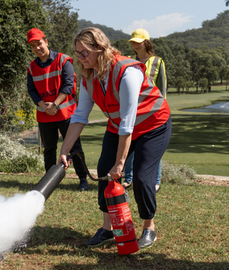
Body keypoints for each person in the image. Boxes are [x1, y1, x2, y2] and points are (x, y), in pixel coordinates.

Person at [58, 27, 171, 249]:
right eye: (77, 53)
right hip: (119, 125)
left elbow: (129, 120)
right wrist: (65, 149)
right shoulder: (88, 77)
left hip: (152, 125)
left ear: (100, 49)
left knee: (141, 176)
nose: (80, 58)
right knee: (104, 171)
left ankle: (149, 227)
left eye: (84, 53)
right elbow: (80, 116)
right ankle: (108, 229)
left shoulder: (127, 71)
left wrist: (120, 163)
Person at [26, 28, 89, 191]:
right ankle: (49, 182)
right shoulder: (31, 67)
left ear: (45, 41)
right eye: (33, 46)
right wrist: (44, 106)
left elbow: (68, 85)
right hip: (45, 115)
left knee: (75, 147)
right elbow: (31, 90)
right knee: (49, 150)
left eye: (39, 43)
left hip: (66, 114)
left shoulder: (63, 60)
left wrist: (54, 105)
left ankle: (83, 180)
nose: (37, 48)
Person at [122, 28, 167, 193]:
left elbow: (162, 88)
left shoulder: (157, 61)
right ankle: (128, 179)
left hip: (152, 111)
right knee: (129, 144)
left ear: (146, 42)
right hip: (133, 110)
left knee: (152, 147)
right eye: (133, 42)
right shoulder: (128, 60)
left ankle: (156, 180)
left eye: (138, 42)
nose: (135, 45)